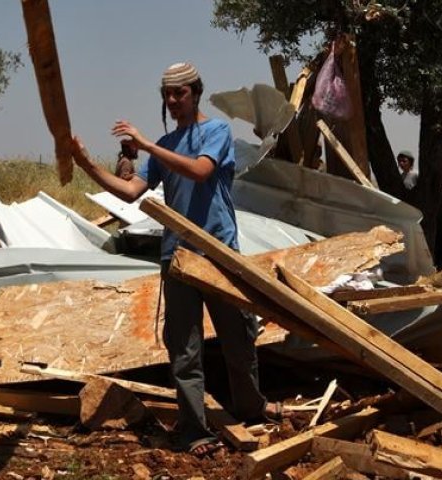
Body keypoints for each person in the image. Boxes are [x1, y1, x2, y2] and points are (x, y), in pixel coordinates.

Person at [69, 62, 284, 457]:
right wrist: (87, 164)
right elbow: (132, 190)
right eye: (167, 95)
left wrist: (149, 145)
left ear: (196, 92)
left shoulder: (216, 131)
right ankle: (194, 430)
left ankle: (251, 407)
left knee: (239, 337)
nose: (172, 101)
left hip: (218, 252)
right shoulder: (166, 144)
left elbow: (202, 171)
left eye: (179, 94)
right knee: (184, 349)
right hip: (178, 257)